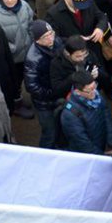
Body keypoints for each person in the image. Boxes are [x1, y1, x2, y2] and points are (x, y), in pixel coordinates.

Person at [25, 20, 63, 148]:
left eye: (51, 33)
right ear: (37, 40)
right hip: (44, 104)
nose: (50, 38)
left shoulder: (56, 42)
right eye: (45, 37)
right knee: (49, 133)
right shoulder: (33, 59)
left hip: (57, 95)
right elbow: (32, 86)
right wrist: (52, 93)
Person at [60, 70, 112, 155]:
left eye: (95, 86)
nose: (94, 93)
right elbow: (82, 143)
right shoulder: (69, 114)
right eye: (90, 90)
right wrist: (102, 156)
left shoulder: (95, 95)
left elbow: (106, 115)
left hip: (101, 142)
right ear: (77, 91)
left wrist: (111, 141)